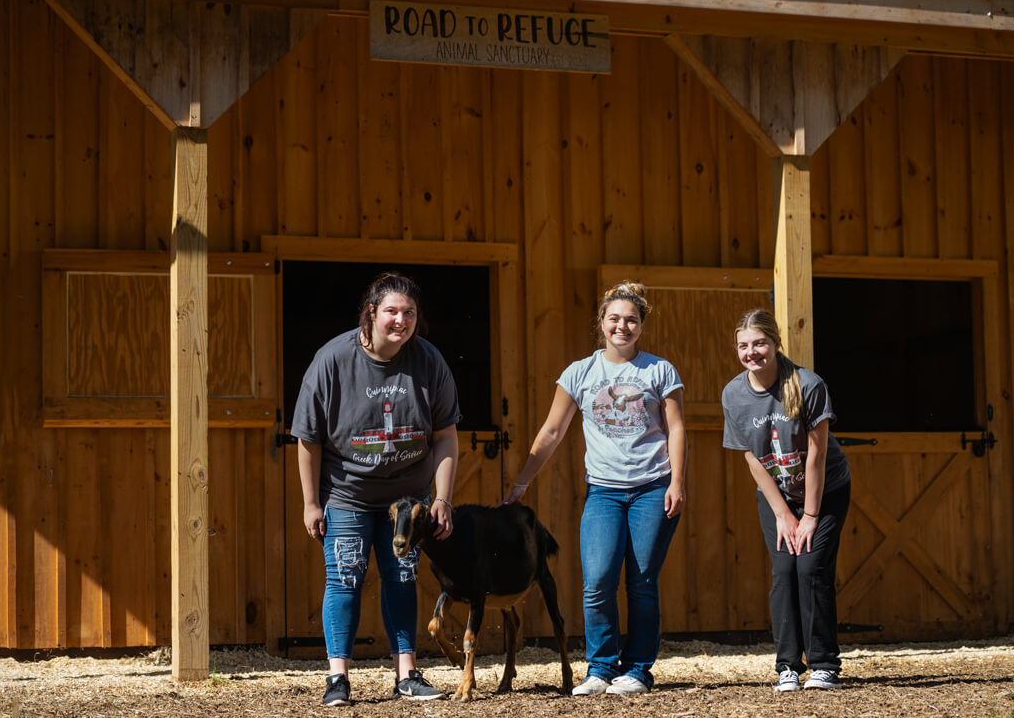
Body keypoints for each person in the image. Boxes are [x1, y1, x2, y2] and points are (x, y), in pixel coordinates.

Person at [505, 281, 686, 696]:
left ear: (641, 326)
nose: (623, 327)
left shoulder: (660, 371)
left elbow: (676, 429)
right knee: (599, 578)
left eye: (632, 321)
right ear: (601, 323)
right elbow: (552, 431)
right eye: (615, 319)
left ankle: (638, 670)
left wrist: (677, 481)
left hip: (651, 489)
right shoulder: (580, 372)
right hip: (603, 492)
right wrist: (522, 482)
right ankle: (600, 668)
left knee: (641, 581)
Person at [291, 272, 461, 706]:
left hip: (407, 499)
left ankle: (407, 675)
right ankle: (338, 680)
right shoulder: (332, 360)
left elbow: (444, 436)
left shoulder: (428, 361)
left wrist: (441, 499)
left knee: (402, 578)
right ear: (371, 313)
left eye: (409, 313)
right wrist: (311, 503)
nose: (400, 321)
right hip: (347, 494)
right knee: (344, 579)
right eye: (391, 312)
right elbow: (308, 438)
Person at [721, 308, 851, 693]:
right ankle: (787, 667)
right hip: (776, 494)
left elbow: (816, 455)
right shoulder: (733, 394)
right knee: (783, 572)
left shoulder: (808, 384)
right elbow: (750, 457)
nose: (751, 352)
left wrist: (809, 516)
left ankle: (824, 665)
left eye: (759, 343)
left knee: (810, 568)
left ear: (776, 343)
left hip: (823, 491)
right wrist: (782, 513)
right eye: (743, 346)